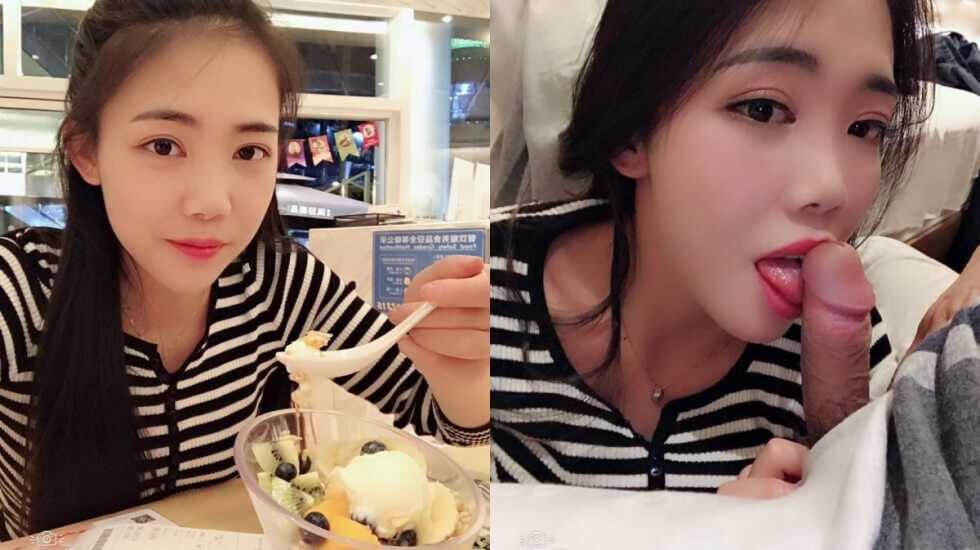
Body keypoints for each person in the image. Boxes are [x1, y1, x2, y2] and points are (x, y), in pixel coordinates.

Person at [0, 0, 489, 539]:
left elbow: (438, 414)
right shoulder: (21, 288)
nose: (213, 202)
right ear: (87, 153)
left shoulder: (280, 282)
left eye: (249, 151)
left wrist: (461, 366)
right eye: (163, 145)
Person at [490, 0, 934, 498]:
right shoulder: (483, 286)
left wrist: (838, 473)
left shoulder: (845, 345)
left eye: (865, 127)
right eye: (763, 109)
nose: (831, 188)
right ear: (632, 132)